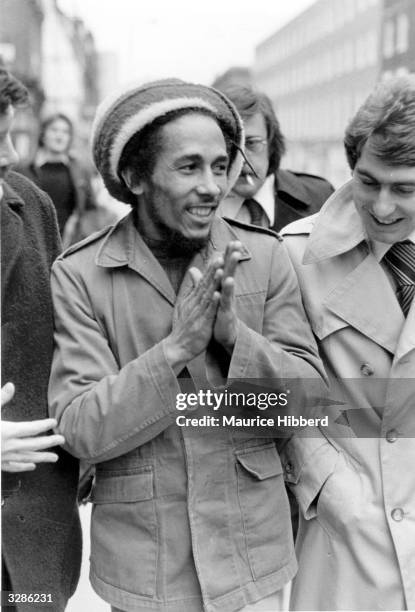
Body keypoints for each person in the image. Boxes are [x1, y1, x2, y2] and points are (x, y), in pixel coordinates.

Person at [48, 78, 326, 612]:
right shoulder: (80, 274)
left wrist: (233, 338)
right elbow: (79, 427)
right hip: (144, 567)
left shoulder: (264, 258)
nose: (214, 186)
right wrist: (174, 351)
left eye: (221, 166)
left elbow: (308, 404)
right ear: (134, 176)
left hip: (253, 561)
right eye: (189, 166)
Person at [280, 75, 415, 610]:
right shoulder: (294, 255)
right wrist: (323, 481)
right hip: (349, 525)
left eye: (405, 188)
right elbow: (260, 393)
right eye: (368, 182)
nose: (381, 207)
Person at [0, 68, 82, 609]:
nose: (8, 153)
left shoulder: (31, 204)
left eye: (11, 134)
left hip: (31, 521)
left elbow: (63, 344)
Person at [215, 84, 334, 231]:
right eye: (232, 146)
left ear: (271, 144)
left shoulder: (320, 197)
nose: (242, 159)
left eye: (252, 143)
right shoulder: (196, 207)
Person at [18, 112, 116, 247]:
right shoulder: (25, 170)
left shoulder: (80, 170)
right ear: (43, 135)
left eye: (65, 132)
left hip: (69, 243)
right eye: (54, 130)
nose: (60, 136)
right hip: (33, 244)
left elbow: (90, 208)